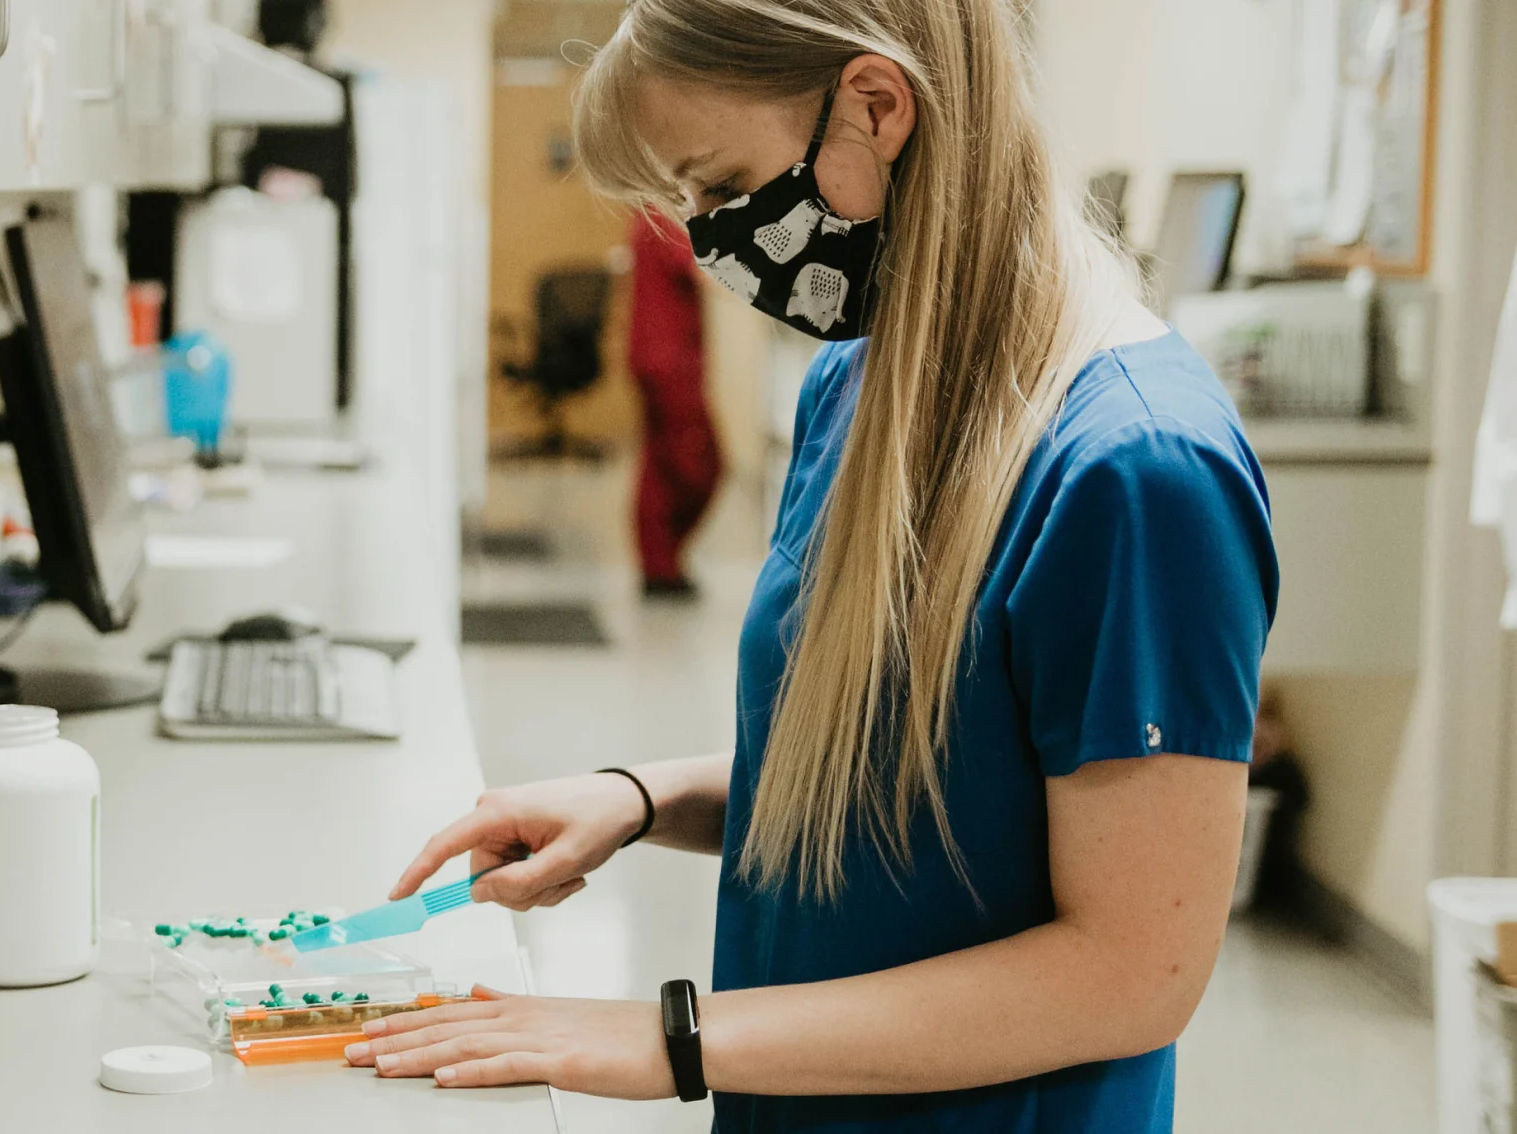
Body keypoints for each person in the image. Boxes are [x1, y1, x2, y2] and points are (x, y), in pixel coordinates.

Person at [342, 0, 1278, 1131]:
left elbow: (1130, 974)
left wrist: (670, 1037)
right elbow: (908, 780)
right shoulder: (865, 380)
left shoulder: (1135, 471)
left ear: (877, 107)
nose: (709, 241)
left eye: (725, 190)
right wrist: (639, 800)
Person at [627, 208, 721, 599]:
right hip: (669, 361)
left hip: (653, 355)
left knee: (659, 465)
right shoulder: (663, 215)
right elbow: (709, 272)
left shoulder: (647, 212)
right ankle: (663, 561)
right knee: (702, 466)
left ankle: (659, 566)